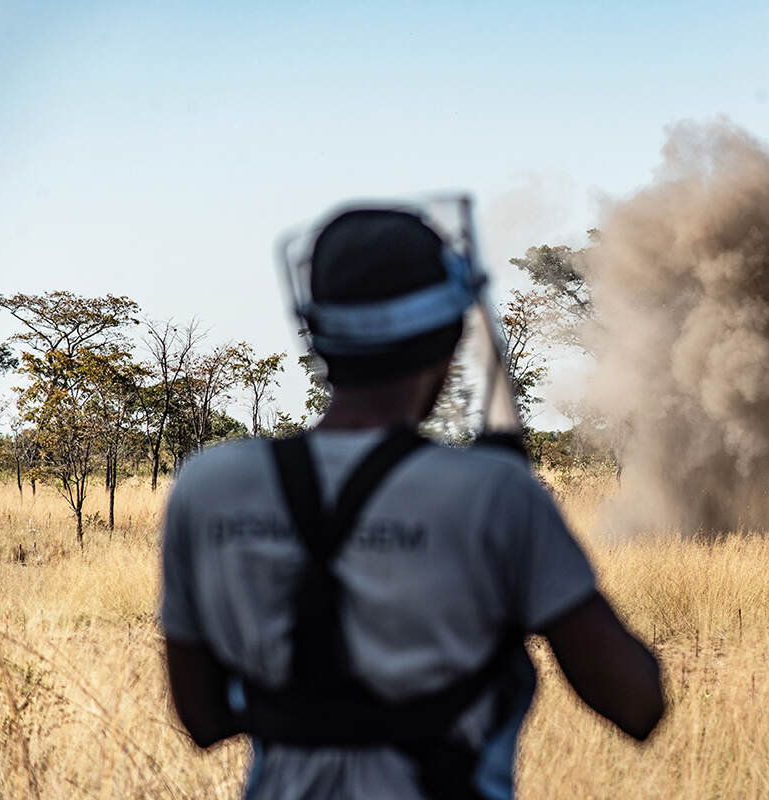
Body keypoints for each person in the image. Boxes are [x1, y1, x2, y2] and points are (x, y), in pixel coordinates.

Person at [160, 207, 664, 800]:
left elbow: (202, 719)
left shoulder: (207, 485)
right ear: (449, 339)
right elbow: (637, 705)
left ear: (317, 334)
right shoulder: (494, 494)